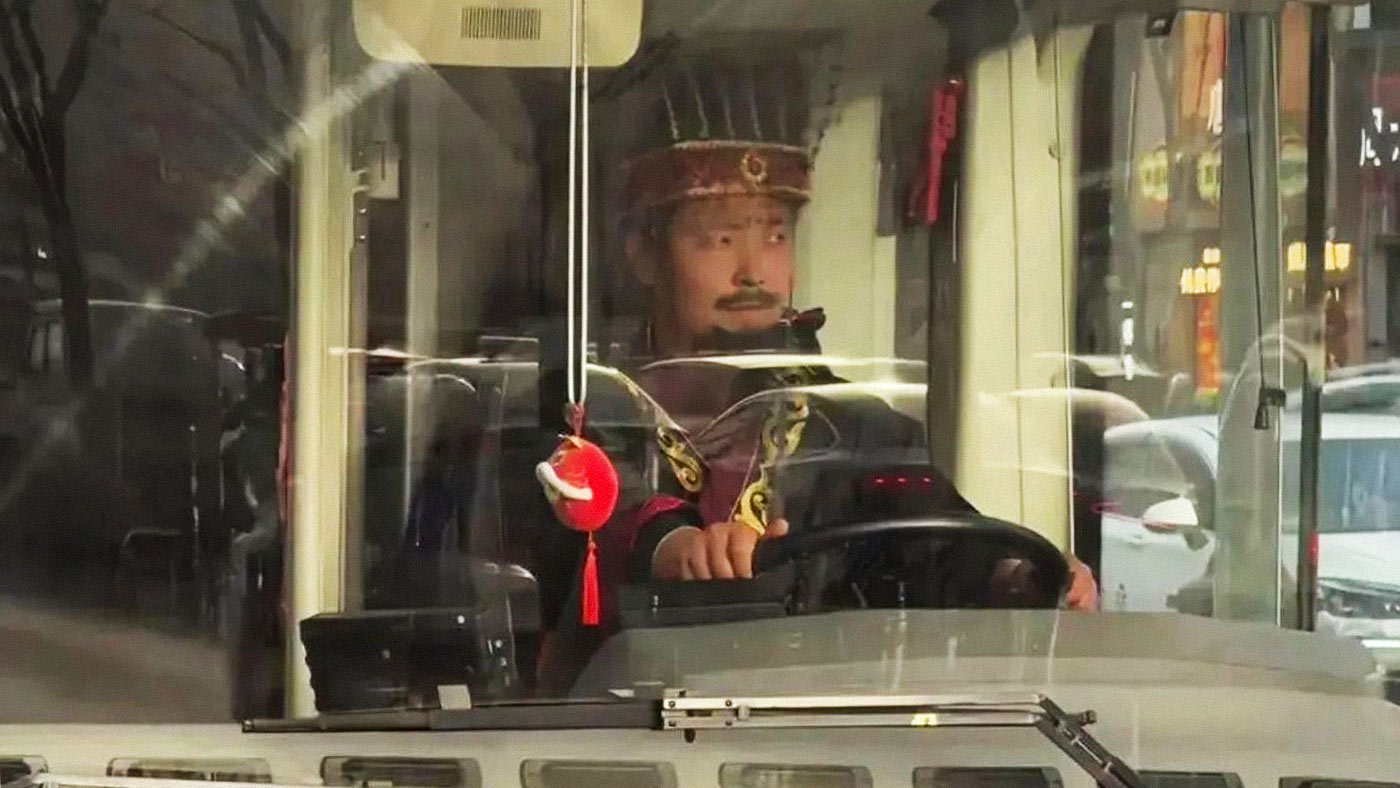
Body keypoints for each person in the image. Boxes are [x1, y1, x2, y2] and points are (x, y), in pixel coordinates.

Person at [597, 63, 1099, 609]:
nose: (754, 272)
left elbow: (931, 537)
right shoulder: (593, 410)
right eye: (721, 239)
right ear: (645, 255)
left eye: (775, 235)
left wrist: (1014, 573)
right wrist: (676, 548)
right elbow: (601, 510)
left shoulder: (851, 429)